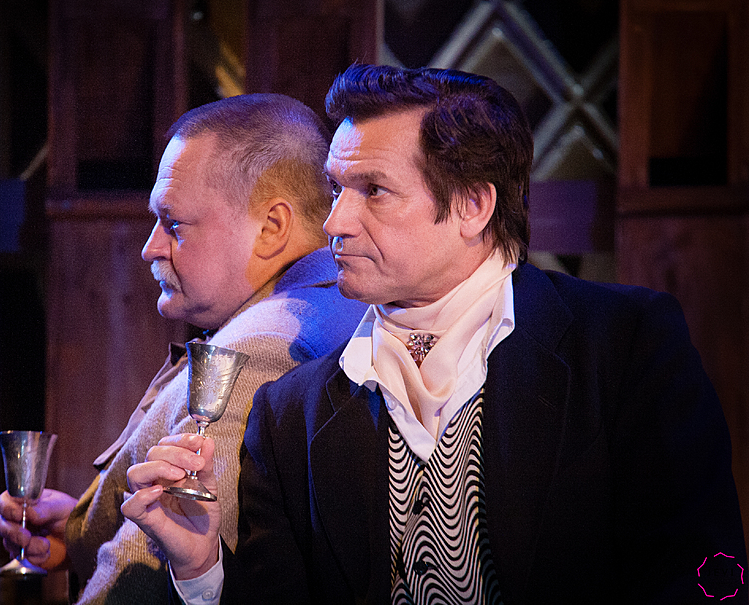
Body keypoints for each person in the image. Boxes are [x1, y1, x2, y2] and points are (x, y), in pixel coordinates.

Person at [123, 65, 748, 604]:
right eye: (337, 189)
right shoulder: (291, 411)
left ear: (473, 206)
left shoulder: (623, 346)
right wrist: (202, 568)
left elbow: (708, 573)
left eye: (373, 190)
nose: (335, 220)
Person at [0, 93, 368, 603]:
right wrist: (83, 529)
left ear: (271, 227)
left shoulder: (257, 351)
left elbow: (153, 567)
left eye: (173, 224)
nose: (150, 247)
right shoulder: (323, 305)